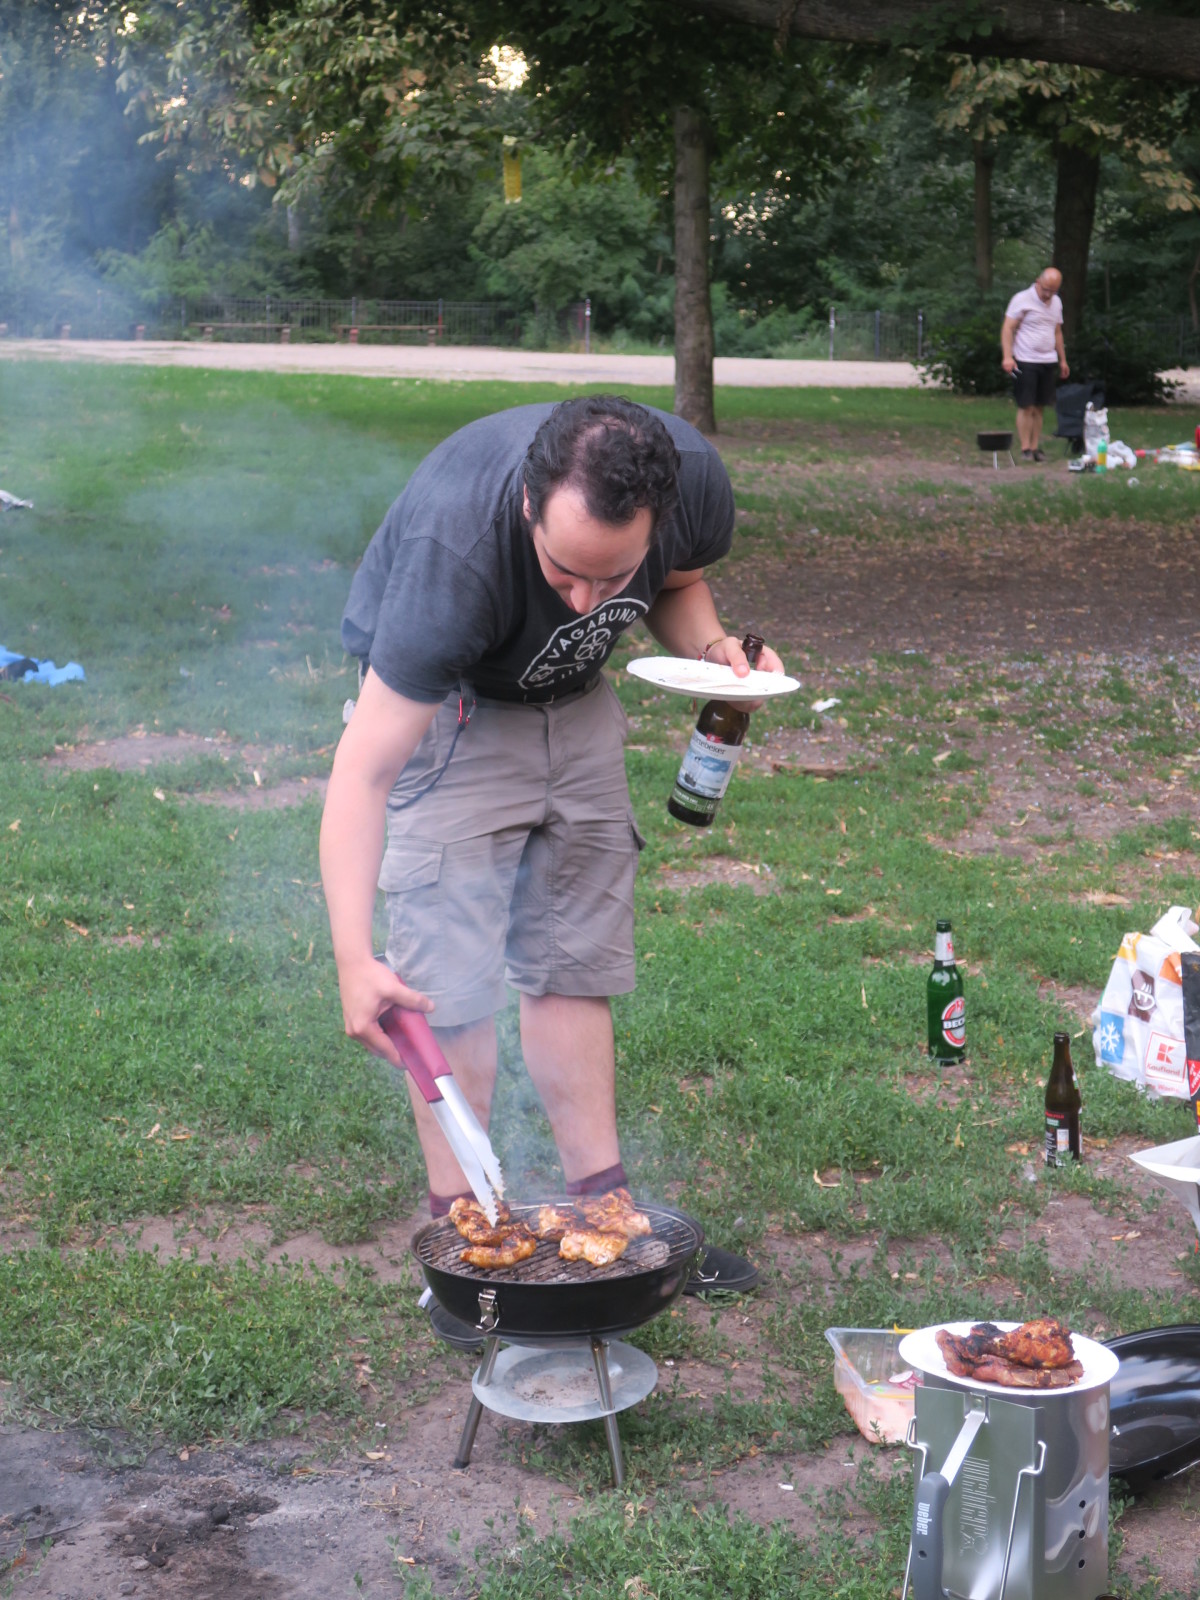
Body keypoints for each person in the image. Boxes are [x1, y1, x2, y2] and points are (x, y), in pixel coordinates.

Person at [320, 396, 782, 1335]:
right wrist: (352, 958)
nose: (585, 600)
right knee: (448, 987)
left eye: (611, 576)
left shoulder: (692, 482)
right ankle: (466, 1252)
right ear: (530, 506)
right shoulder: (456, 553)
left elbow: (680, 582)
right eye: (565, 571)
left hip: (576, 708)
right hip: (452, 713)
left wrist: (712, 650)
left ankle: (608, 1222)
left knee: (576, 960)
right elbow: (362, 774)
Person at [1000, 268, 1070, 461]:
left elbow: (1057, 332)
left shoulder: (1056, 303)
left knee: (1039, 406)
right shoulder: (1021, 299)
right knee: (1026, 406)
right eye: (1046, 289)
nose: (1048, 294)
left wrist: (1063, 360)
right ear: (1038, 281)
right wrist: (1007, 356)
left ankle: (1035, 446)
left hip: (1047, 361)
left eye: (1053, 291)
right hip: (1025, 360)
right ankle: (1025, 449)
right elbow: (1008, 328)